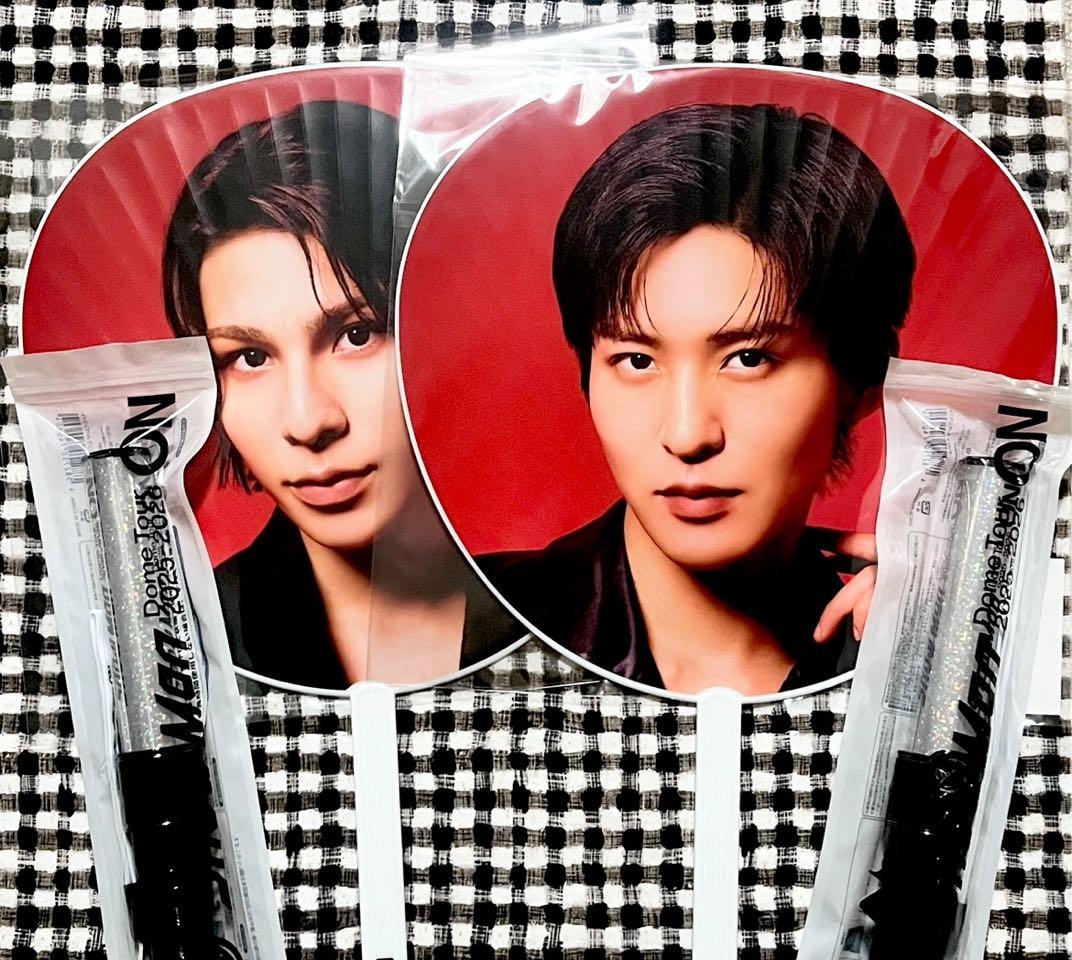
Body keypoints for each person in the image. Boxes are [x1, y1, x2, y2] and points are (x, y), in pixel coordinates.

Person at [485, 102, 915, 696]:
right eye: (637, 361)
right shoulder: (468, 625)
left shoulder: (899, 658)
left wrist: (951, 640)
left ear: (864, 378)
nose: (688, 436)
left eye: (749, 359)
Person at [164, 99, 518, 690]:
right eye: (249, 358)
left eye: (356, 335)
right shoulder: (182, 649)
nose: (308, 421)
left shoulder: (575, 609)